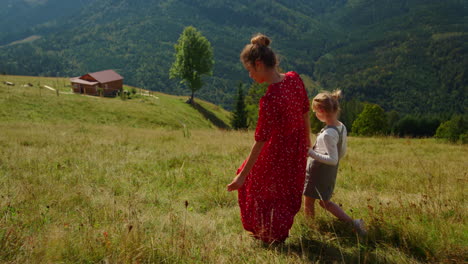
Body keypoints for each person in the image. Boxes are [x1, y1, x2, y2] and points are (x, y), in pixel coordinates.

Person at [227, 33, 311, 243]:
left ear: (258, 64)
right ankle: (274, 233)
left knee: (256, 186)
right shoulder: (294, 79)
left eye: (249, 70)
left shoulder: (270, 98)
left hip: (278, 152)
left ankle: (269, 234)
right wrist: (306, 142)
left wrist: (242, 175)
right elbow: (305, 111)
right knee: (283, 192)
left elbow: (261, 140)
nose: (250, 76)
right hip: (297, 148)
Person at [303, 90, 367, 235]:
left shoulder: (327, 134)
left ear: (321, 110)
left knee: (309, 201)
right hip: (329, 172)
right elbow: (341, 152)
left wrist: (311, 153)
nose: (314, 114)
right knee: (324, 201)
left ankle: (310, 229)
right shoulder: (341, 127)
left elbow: (333, 159)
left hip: (318, 171)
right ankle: (354, 223)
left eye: (315, 111)